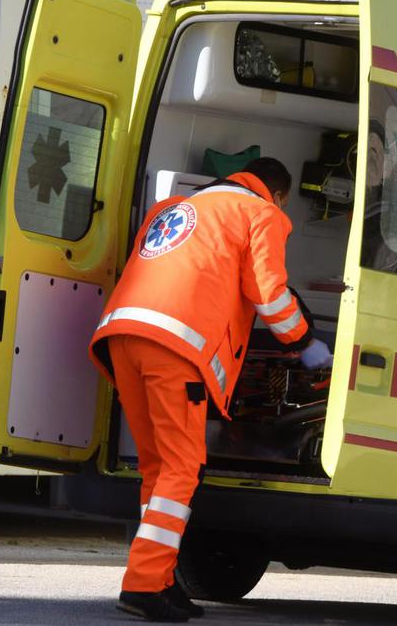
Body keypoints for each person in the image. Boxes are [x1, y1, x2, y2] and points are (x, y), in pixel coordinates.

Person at [89, 157, 311, 622]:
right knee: (182, 468)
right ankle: (143, 585)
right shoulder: (261, 214)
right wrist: (305, 341)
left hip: (123, 337)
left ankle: (162, 579)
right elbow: (270, 296)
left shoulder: (174, 208)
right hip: (176, 348)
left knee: (158, 467)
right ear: (280, 195)